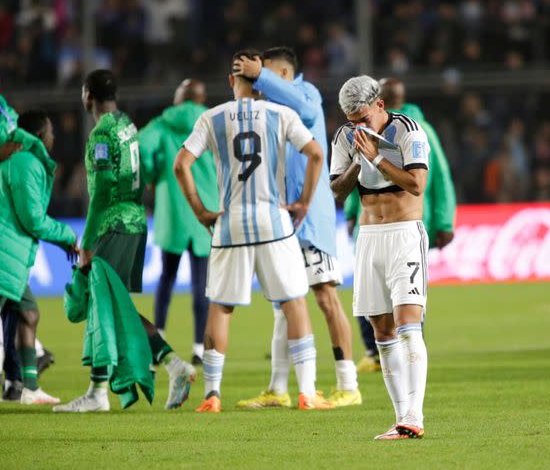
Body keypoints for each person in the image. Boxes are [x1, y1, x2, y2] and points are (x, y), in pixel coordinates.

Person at [173, 49, 332, 413]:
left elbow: (181, 165)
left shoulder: (211, 119)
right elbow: (316, 155)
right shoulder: (281, 113)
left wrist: (200, 210)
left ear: (231, 81)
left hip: (230, 224)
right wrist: (304, 201)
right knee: (294, 303)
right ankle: (306, 392)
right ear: (260, 83)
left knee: (222, 308)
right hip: (274, 222)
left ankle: (212, 394)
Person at [55, 69, 196, 413]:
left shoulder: (102, 133)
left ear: (87, 95)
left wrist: (87, 241)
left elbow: (102, 192)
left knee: (102, 303)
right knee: (115, 305)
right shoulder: (128, 125)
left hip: (113, 225)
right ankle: (174, 365)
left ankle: (98, 393)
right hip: (134, 221)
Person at [231, 46, 360, 408]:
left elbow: (304, 111)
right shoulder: (273, 109)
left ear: (282, 75)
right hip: (281, 219)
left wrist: (260, 76)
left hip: (311, 221)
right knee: (283, 306)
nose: (260, 82)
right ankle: (278, 389)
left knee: (325, 298)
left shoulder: (306, 95)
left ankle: (348, 385)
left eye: (266, 74)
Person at [330, 75, 430, 440]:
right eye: (351, 120)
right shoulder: (344, 138)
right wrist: (358, 163)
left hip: (404, 234)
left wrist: (377, 157)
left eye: (363, 118)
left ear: (380, 106)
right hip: (368, 237)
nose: (358, 126)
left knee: (408, 325)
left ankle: (415, 415)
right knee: (382, 332)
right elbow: (337, 190)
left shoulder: (408, 132)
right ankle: (401, 418)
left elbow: (416, 184)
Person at [344, 77, 456, 373]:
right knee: (370, 300)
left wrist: (444, 221)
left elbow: (438, 177)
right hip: (372, 225)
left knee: (408, 297)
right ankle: (376, 353)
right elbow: (360, 175)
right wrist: (353, 209)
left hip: (410, 220)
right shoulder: (364, 128)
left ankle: (407, 352)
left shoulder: (417, 130)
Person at [0, 109, 78, 405]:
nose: (54, 137)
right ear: (41, 135)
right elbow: (33, 219)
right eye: (51, 132)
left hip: (8, 254)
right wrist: (67, 236)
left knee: (28, 313)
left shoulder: (24, 159)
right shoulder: (26, 163)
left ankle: (30, 389)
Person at [0, 60, 54, 397]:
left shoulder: (7, 113)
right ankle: (17, 376)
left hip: (3, 221)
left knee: (18, 307)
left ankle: (16, 379)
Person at [139, 79, 216, 365]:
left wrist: (151, 176)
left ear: (178, 99)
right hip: (204, 210)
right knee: (202, 284)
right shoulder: (212, 121)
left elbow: (142, 148)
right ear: (201, 98)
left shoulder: (161, 124)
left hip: (171, 211)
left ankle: (157, 342)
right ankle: (199, 348)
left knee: (166, 279)